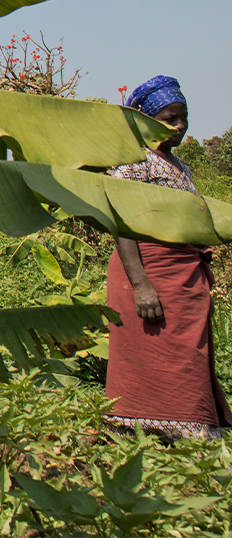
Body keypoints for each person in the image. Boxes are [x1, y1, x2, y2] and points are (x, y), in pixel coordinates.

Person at [104, 74, 230, 440]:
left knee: (188, 353)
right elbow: (123, 224)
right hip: (147, 271)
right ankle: (150, 425)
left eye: (183, 116)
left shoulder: (179, 166)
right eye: (169, 118)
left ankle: (186, 423)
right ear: (145, 120)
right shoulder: (134, 162)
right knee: (153, 351)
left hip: (183, 275)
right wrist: (141, 285)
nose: (179, 125)